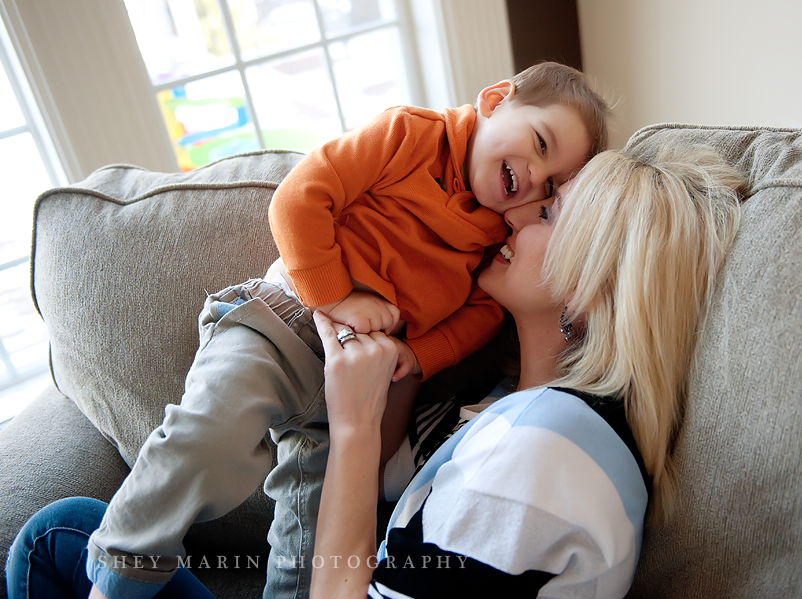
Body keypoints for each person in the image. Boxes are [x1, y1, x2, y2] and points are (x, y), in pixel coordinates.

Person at [7, 143, 745, 598]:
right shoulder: (500, 398)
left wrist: (354, 427)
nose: (514, 216)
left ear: (593, 285)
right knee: (67, 532)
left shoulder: (544, 451)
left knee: (54, 546)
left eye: (549, 215)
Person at [28, 62, 609, 599]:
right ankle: (121, 570)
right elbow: (299, 198)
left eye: (550, 188)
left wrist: (415, 354)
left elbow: (478, 318)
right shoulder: (409, 134)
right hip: (285, 325)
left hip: (344, 394)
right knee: (204, 440)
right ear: (494, 99)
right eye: (538, 145)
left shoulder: (493, 233)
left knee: (308, 543)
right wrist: (339, 296)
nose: (532, 179)